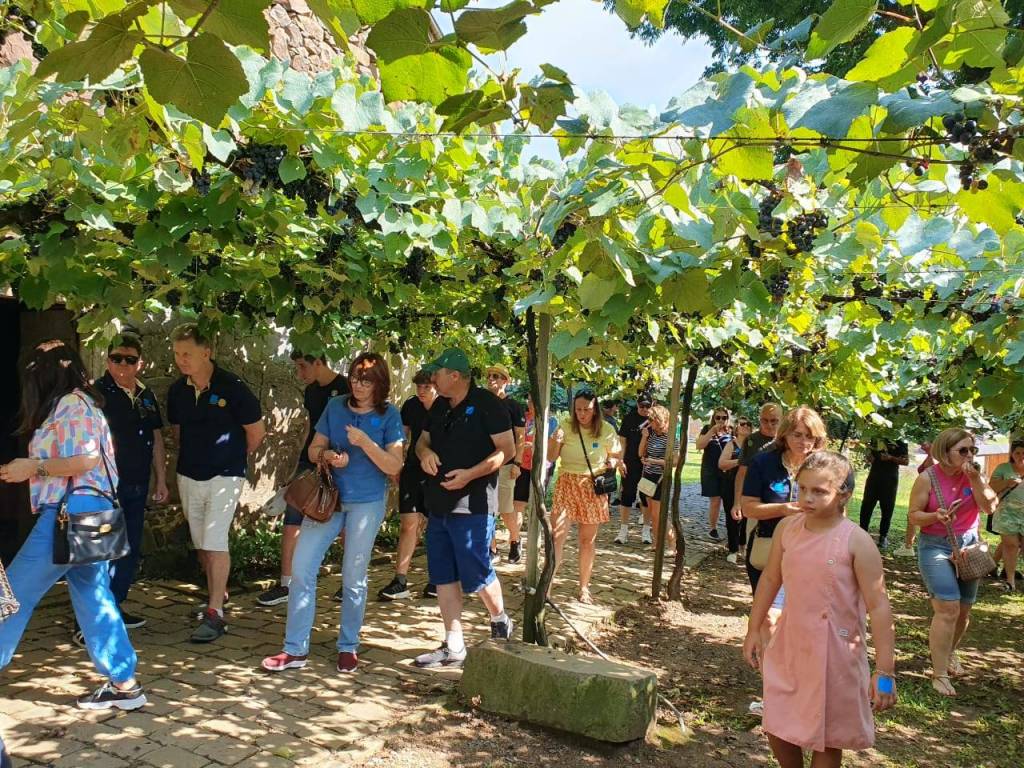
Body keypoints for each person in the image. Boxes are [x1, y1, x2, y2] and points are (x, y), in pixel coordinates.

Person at [0, 341, 146, 711]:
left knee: (10, 592)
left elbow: (86, 459)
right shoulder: (83, 402)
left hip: (70, 512)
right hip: (91, 512)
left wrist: (32, 467)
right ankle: (124, 684)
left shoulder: (71, 403)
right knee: (93, 595)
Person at [743, 451, 897, 768]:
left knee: (827, 733)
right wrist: (753, 629)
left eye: (819, 491)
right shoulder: (788, 528)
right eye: (802, 489)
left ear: (844, 494)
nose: (807, 498)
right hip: (790, 643)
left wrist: (885, 672)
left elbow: (879, 606)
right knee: (777, 720)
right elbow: (770, 578)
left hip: (835, 651)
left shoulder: (857, 541)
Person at [262, 353, 403, 674]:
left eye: (366, 380)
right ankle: (294, 649)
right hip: (328, 500)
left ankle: (348, 645)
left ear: (379, 383)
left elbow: (394, 465)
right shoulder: (336, 406)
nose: (358, 385)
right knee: (301, 569)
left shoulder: (389, 415)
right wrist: (326, 455)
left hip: (366, 503)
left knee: (353, 577)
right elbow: (313, 449)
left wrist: (365, 443)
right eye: (354, 378)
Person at [413, 349, 515, 669]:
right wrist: (425, 454)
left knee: (476, 570)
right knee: (443, 573)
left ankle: (499, 618)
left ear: (454, 376)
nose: (432, 379)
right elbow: (421, 442)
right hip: (438, 502)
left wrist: (470, 474)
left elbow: (507, 450)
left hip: (474, 503)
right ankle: (453, 645)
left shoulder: (488, 405)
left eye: (437, 374)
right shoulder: (439, 405)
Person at [167, 323, 266, 643]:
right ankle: (216, 596)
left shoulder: (232, 387)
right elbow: (178, 433)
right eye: (177, 353)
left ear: (206, 352)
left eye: (187, 353)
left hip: (225, 474)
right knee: (201, 544)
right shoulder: (177, 391)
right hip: (188, 473)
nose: (181, 360)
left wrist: (231, 457)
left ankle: (215, 614)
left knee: (214, 540)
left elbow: (256, 433)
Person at [908, 428, 997, 697]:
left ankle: (948, 653)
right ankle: (940, 674)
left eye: (973, 450)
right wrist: (935, 515)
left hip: (968, 546)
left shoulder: (975, 476)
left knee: (964, 610)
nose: (970, 455)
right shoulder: (927, 478)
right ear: (945, 452)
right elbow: (914, 516)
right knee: (948, 607)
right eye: (963, 450)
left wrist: (977, 479)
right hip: (935, 545)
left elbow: (990, 507)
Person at [91, 331, 169, 634]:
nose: (123, 365)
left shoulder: (146, 394)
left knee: (129, 548)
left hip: (137, 484)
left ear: (140, 363)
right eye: (116, 358)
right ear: (107, 360)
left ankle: (114, 606)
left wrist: (161, 479)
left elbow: (155, 437)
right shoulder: (96, 393)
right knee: (101, 550)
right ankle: (91, 618)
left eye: (130, 359)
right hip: (105, 486)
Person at [257, 351, 347, 607]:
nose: (299, 373)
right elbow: (309, 427)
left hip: (339, 463)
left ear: (318, 362)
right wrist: (298, 462)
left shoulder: (345, 388)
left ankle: (349, 581)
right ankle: (286, 584)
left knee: (343, 522)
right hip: (310, 461)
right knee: (292, 516)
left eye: (302, 367)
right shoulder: (311, 391)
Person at [742, 406, 827, 596]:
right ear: (785, 434)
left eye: (809, 436)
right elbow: (748, 508)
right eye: (797, 435)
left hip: (811, 550)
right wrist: (783, 509)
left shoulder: (823, 467)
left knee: (801, 607)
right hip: (768, 546)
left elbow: (837, 510)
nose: (803, 442)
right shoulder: (762, 463)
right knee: (767, 609)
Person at [549, 390, 622, 604]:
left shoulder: (606, 429)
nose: (581, 414)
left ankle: (583, 587)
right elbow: (551, 457)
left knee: (586, 540)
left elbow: (616, 455)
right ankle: (547, 586)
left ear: (595, 409)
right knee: (557, 536)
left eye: (586, 410)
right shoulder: (565, 425)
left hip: (592, 486)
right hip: (567, 483)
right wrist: (555, 441)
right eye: (578, 409)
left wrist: (613, 462)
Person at [378, 369, 438, 601]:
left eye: (426, 387)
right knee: (408, 524)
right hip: (413, 469)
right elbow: (401, 438)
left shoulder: (446, 407)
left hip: (438, 471)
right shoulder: (411, 405)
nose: (421, 391)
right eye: (418, 387)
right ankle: (400, 580)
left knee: (436, 526)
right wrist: (397, 465)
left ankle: (437, 579)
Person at [484, 364, 526, 563]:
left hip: (507, 464)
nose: (491, 379)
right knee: (487, 508)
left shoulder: (513, 406)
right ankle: (492, 548)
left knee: (506, 508)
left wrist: (517, 462)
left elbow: (520, 436)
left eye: (496, 376)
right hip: (485, 464)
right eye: (489, 376)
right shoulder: (482, 403)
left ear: (505, 381)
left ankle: (515, 540)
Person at [731, 402, 782, 535]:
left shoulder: (787, 440)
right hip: (756, 502)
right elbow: (742, 473)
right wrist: (737, 503)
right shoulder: (751, 440)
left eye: (774, 421)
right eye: (765, 420)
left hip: (781, 502)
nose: (769, 425)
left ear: (781, 420)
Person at [512, 394, 558, 533]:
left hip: (542, 467)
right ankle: (515, 538)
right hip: (522, 465)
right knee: (518, 503)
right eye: (529, 400)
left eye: (534, 400)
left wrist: (534, 446)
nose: (530, 403)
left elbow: (552, 445)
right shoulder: (522, 417)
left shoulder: (551, 421)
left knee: (538, 503)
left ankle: (535, 535)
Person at [858, 437, 909, 551]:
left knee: (887, 508)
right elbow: (870, 458)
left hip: (890, 480)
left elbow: (906, 461)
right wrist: (868, 454)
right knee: (866, 506)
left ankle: (883, 536)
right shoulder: (876, 439)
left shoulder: (900, 441)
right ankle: (862, 533)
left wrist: (891, 458)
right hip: (874, 478)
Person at [614, 395, 652, 545]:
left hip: (648, 463)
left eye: (647, 406)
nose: (644, 409)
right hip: (630, 462)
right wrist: (621, 460)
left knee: (646, 496)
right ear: (637, 405)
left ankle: (646, 530)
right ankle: (623, 530)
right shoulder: (629, 418)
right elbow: (622, 442)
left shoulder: (654, 420)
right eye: (642, 406)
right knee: (627, 495)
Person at [990, 441, 1024, 592]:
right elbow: (991, 487)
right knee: (1011, 545)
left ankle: (993, 565)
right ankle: (1010, 581)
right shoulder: (1003, 468)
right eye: (1018, 453)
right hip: (1006, 514)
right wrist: (1007, 482)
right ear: (1012, 454)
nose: (1021, 456)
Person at [719, 416, 753, 564]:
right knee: (732, 517)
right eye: (742, 424)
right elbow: (722, 463)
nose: (745, 426)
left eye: (748, 424)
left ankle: (743, 546)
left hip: (749, 485)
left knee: (747, 517)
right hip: (731, 484)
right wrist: (739, 461)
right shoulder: (731, 444)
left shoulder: (753, 445)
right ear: (737, 427)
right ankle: (733, 549)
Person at [638, 405, 671, 551]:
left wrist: (654, 461)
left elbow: (673, 462)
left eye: (652, 420)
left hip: (661, 478)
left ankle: (672, 544)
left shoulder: (670, 438)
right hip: (648, 476)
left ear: (659, 420)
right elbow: (641, 453)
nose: (649, 423)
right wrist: (644, 437)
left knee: (659, 515)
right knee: (653, 514)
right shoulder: (652, 435)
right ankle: (656, 544)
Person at [894, 442, 935, 558]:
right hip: (923, 491)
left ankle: (909, 547)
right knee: (911, 518)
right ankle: (908, 545)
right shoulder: (930, 456)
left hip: (929, 493)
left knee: (914, 517)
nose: (922, 446)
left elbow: (933, 478)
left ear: (933, 444)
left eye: (925, 443)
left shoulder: (933, 459)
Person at [696, 408, 731, 541]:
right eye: (718, 417)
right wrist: (712, 431)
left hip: (728, 470)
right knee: (715, 500)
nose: (721, 420)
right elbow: (699, 445)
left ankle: (731, 529)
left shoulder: (731, 431)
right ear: (714, 418)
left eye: (724, 417)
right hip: (710, 469)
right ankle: (713, 528)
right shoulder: (707, 429)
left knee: (729, 500)